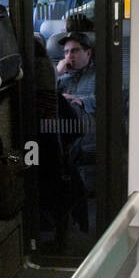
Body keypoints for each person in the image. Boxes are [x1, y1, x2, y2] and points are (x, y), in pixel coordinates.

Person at [55, 30, 96, 206]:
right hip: (64, 127)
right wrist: (56, 73)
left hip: (89, 124)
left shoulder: (99, 73)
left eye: (74, 50)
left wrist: (81, 100)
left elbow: (114, 97)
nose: (69, 55)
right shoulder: (63, 77)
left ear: (88, 53)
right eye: (66, 52)